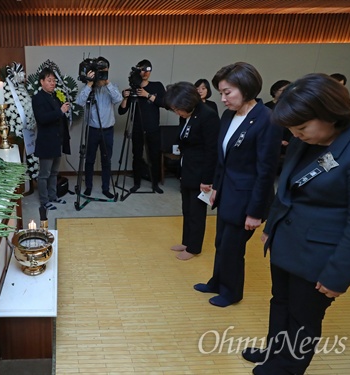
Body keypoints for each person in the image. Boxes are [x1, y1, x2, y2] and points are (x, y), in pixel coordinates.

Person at [241, 73, 350, 375]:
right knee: (280, 302)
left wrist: (339, 275)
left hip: (321, 257)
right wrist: (271, 225)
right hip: (288, 242)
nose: (295, 135)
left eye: (301, 127)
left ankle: (285, 368)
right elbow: (288, 186)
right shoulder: (307, 138)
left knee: (303, 318)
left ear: (329, 114)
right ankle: (274, 353)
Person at [193, 62, 281, 307]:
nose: (223, 98)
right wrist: (216, 188)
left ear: (246, 88)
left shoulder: (267, 120)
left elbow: (266, 171)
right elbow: (224, 159)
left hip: (247, 198)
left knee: (233, 247)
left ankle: (232, 292)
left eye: (227, 92)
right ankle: (217, 282)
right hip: (227, 193)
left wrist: (255, 212)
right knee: (221, 241)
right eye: (221, 92)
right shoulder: (229, 115)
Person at [164, 82, 220, 260]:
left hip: (201, 171)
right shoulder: (186, 116)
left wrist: (207, 179)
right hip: (187, 169)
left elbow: (213, 151)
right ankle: (187, 241)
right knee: (186, 209)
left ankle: (194, 247)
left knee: (197, 212)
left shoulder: (208, 116)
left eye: (177, 109)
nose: (176, 113)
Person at [75, 56, 123, 199]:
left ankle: (106, 188)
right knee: (89, 159)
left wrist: (107, 82)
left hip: (108, 130)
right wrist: (89, 84)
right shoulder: (90, 88)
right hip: (93, 130)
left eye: (105, 70)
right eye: (100, 71)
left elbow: (119, 99)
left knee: (106, 160)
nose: (102, 73)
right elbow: (79, 102)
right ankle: (88, 186)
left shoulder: (111, 87)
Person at [118, 59, 166, 194]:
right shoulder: (133, 89)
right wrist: (125, 98)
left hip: (153, 128)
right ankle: (136, 183)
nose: (145, 72)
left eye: (148, 69)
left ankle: (155, 184)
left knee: (154, 156)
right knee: (137, 156)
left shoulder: (157, 86)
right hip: (138, 128)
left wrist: (147, 95)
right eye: (142, 69)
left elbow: (165, 103)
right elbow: (121, 111)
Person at [32, 67, 71, 211]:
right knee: (44, 174)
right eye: (49, 80)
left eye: (54, 80)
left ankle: (53, 196)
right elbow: (42, 119)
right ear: (41, 82)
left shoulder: (54, 96)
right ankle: (44, 200)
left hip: (57, 141)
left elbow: (58, 117)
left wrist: (63, 112)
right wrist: (60, 111)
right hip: (46, 142)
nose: (52, 83)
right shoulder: (38, 98)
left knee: (54, 172)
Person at [266, 80, 293, 173]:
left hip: (288, 144)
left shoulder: (291, 107)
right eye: (284, 90)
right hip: (272, 144)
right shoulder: (266, 108)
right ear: (275, 91)